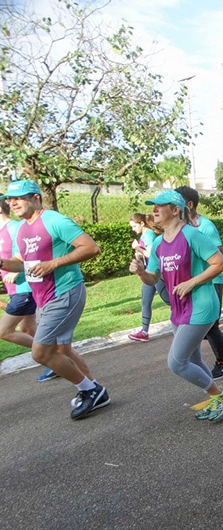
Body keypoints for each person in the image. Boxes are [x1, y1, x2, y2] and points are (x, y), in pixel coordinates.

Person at [1, 180, 110, 420]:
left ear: (36, 197)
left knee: (40, 352)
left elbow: (91, 247)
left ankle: (91, 390)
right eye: (10, 199)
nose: (13, 202)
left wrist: (54, 263)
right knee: (62, 350)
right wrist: (3, 263)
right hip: (43, 297)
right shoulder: (22, 229)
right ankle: (94, 390)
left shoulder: (53, 220)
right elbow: (21, 261)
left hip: (65, 292)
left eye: (19, 197)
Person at [129, 189, 223, 422]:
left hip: (202, 306)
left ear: (176, 210)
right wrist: (142, 272)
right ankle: (218, 398)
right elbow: (153, 278)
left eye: (160, 205)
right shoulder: (157, 244)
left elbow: (220, 263)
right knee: (193, 360)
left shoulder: (191, 235)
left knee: (176, 362)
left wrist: (191, 282)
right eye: (153, 206)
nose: (154, 210)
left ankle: (220, 393)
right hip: (179, 309)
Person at [176, 186, 223, 380]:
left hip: (212, 280)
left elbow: (219, 253)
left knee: (210, 326)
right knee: (202, 327)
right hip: (191, 283)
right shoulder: (178, 229)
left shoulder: (205, 226)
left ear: (189, 204)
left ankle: (222, 363)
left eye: (177, 201)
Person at [0, 196, 38, 363]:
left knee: (4, 331)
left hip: (24, 287)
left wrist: (17, 273)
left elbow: (29, 250)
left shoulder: (14, 227)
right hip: (14, 289)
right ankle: (58, 356)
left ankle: (53, 354)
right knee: (28, 329)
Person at [127, 213, 164, 342]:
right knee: (145, 301)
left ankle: (186, 320)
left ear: (142, 223)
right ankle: (144, 331)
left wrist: (137, 247)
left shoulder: (148, 234)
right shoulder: (145, 235)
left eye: (134, 226)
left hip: (156, 272)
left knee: (169, 300)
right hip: (148, 271)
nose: (133, 229)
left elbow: (151, 253)